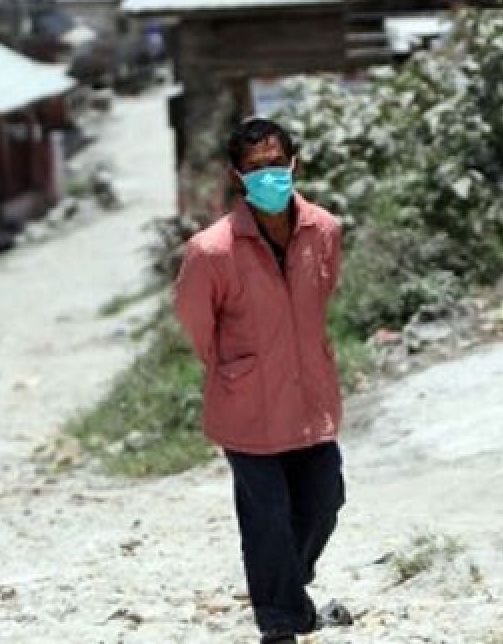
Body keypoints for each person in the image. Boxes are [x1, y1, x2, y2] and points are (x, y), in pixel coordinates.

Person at [173, 117, 350, 644]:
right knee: (267, 518)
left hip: (309, 398)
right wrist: (238, 368)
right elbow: (196, 323)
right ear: (237, 176)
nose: (269, 176)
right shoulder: (211, 251)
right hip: (246, 406)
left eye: (277, 165)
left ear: (295, 163)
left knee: (324, 500)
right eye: (256, 169)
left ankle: (287, 591)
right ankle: (279, 622)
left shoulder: (325, 229)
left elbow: (320, 303)